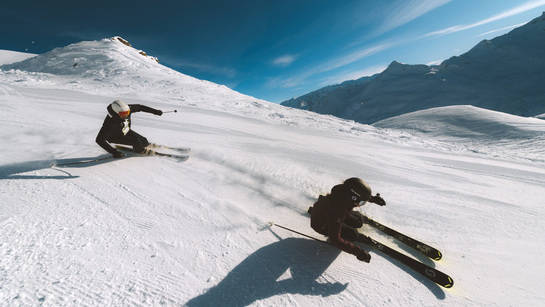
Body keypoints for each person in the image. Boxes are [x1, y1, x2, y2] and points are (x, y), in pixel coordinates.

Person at [309, 177, 386, 263]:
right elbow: (335, 240)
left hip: (337, 211)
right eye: (361, 203)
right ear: (352, 198)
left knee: (358, 222)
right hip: (323, 225)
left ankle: (358, 220)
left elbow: (357, 193)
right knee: (352, 234)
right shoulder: (337, 212)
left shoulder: (344, 193)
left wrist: (372, 199)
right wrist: (358, 252)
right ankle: (360, 237)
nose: (361, 205)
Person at [96, 100, 163, 158]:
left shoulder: (126, 109)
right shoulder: (110, 123)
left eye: (127, 113)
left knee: (144, 141)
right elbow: (99, 140)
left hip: (125, 130)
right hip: (115, 136)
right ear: (116, 112)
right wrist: (114, 152)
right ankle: (141, 150)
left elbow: (140, 107)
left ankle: (143, 145)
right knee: (136, 141)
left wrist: (155, 112)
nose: (126, 115)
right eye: (123, 114)